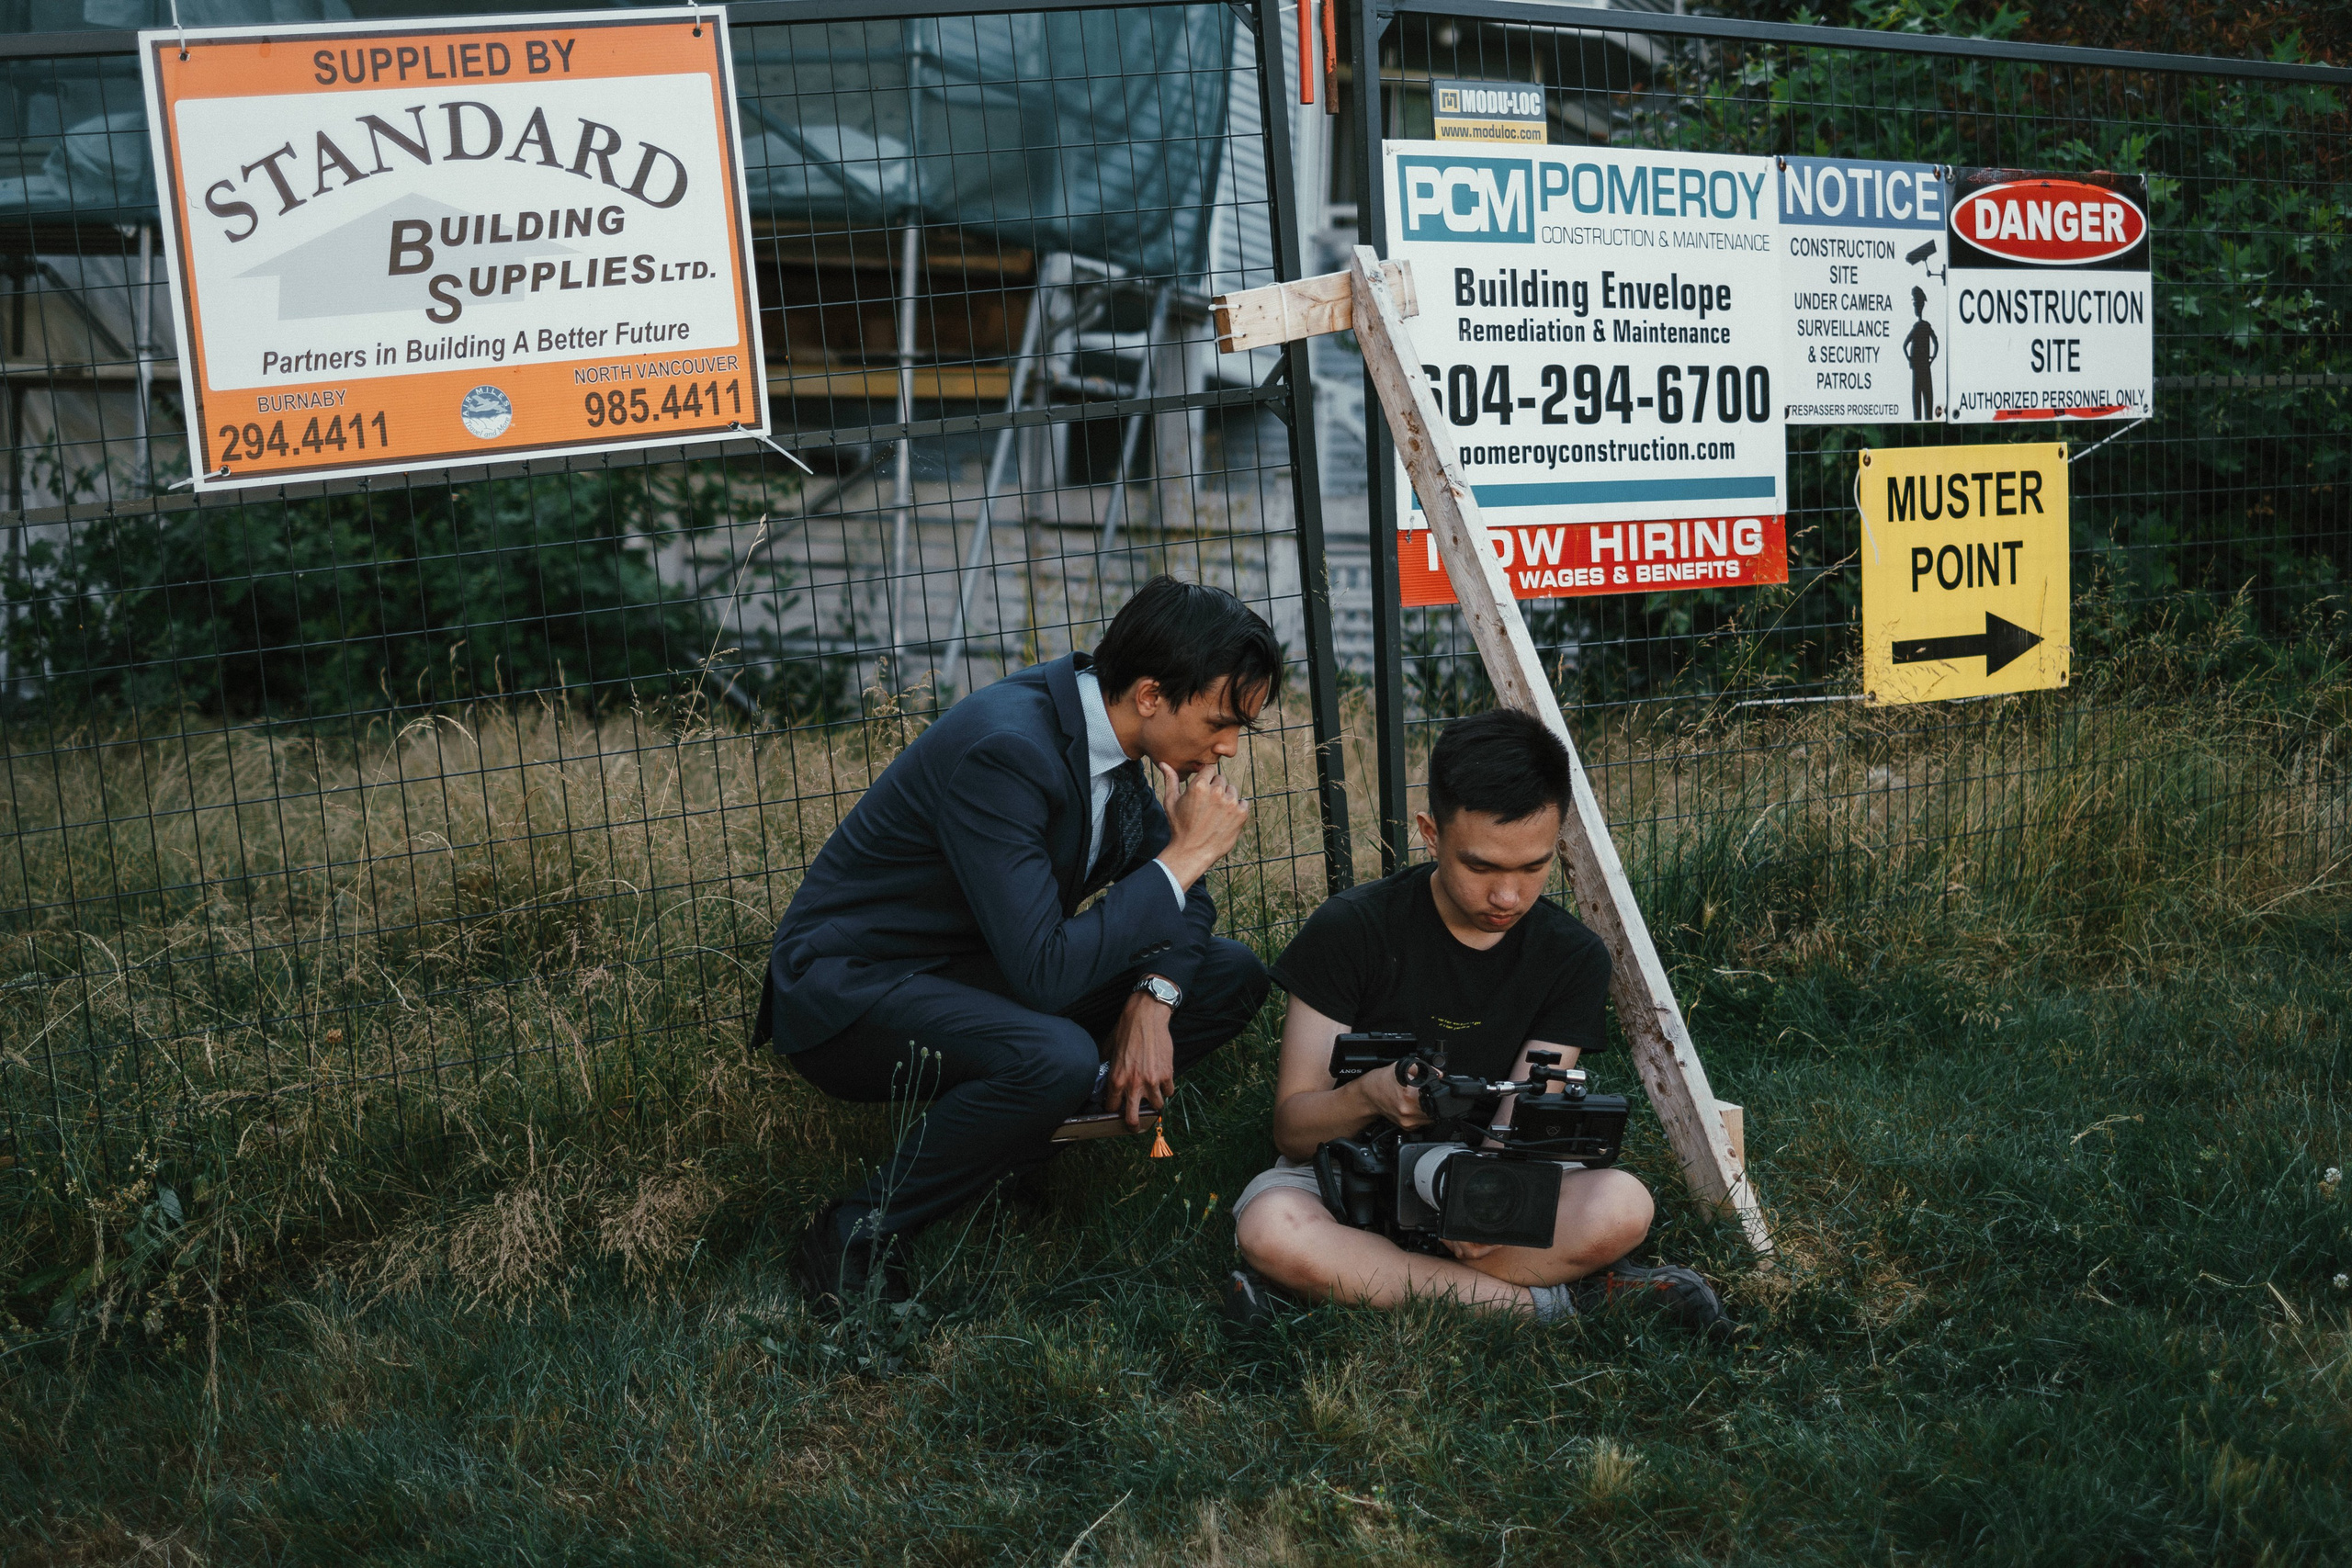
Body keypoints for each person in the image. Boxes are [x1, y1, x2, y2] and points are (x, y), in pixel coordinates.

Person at [756, 576, 1277, 1313]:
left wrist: (1153, 1001)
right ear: (1154, 694)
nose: (1227, 746)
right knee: (1055, 1054)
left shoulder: (1126, 743)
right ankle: (856, 1230)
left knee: (1227, 974)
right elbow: (1048, 972)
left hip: (975, 967)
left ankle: (1005, 1153)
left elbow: (1188, 907)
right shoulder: (1009, 750)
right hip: (853, 989)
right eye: (1222, 721)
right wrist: (1182, 858)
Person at [1229, 708, 1727, 1333]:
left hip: (1490, 1171)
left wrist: (1484, 1201)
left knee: (1623, 1205)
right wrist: (1367, 1094)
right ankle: (1552, 1306)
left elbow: (1521, 1122)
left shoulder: (1571, 956)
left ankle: (1352, 1282)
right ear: (1430, 834)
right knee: (1272, 1227)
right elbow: (1293, 1131)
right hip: (1347, 1176)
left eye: (1533, 867)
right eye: (1482, 866)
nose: (1509, 896)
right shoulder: (1351, 929)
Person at [1905, 284, 1940, 422]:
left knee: (1922, 399)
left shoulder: (1921, 327)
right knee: (1925, 398)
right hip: (1923, 366)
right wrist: (1932, 358)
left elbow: (1905, 345)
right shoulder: (1924, 327)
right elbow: (1936, 343)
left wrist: (1912, 360)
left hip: (1921, 367)